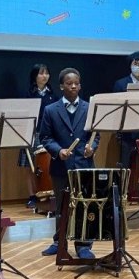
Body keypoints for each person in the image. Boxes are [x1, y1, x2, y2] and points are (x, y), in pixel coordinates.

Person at [39, 68, 100, 258]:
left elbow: (95, 135)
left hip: (84, 165)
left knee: (84, 205)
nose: (73, 86)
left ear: (80, 86)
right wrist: (59, 151)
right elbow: (45, 137)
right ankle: (59, 242)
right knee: (61, 207)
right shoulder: (50, 110)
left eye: (76, 83)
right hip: (60, 167)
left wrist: (92, 147)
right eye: (69, 83)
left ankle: (83, 246)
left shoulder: (89, 108)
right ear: (61, 86)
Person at [18, 63, 56, 208]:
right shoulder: (27, 94)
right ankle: (32, 196)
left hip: (48, 134)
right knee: (30, 166)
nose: (44, 76)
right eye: (41, 73)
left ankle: (48, 193)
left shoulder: (53, 95)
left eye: (46, 73)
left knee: (46, 165)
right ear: (34, 76)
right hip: (30, 133)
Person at [113, 51, 139, 172]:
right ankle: (124, 184)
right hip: (126, 133)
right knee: (125, 167)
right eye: (135, 64)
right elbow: (116, 108)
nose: (137, 66)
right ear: (130, 65)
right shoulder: (120, 84)